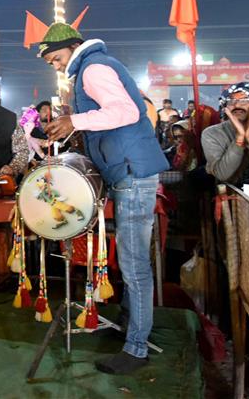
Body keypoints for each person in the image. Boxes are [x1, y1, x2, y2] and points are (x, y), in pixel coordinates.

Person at [40, 22, 169, 375]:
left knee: (133, 264)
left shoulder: (93, 68)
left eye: (55, 58)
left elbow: (128, 112)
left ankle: (136, 348)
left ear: (73, 47)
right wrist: (73, 122)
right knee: (132, 260)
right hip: (127, 171)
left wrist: (74, 121)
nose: (54, 65)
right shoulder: (93, 66)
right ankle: (132, 327)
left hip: (132, 172)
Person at [201, 82, 249, 184]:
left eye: (244, 100)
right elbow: (223, 175)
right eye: (231, 101)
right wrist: (239, 139)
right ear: (225, 107)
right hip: (230, 194)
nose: (237, 105)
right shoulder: (212, 133)